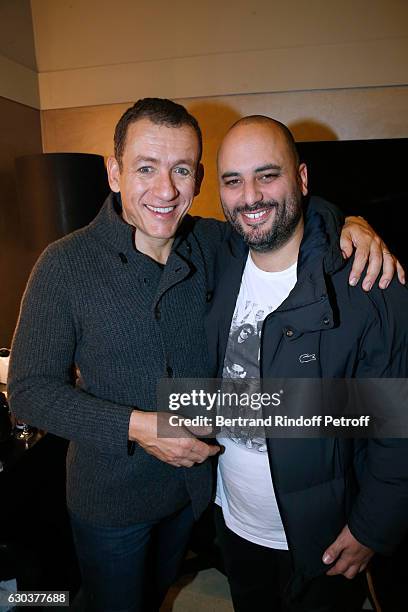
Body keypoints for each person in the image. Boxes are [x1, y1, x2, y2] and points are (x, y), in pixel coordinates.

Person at [7, 98, 403, 612]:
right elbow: (28, 391)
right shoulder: (64, 264)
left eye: (182, 170)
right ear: (114, 172)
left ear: (197, 179)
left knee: (159, 593)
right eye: (145, 168)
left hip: (194, 494)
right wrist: (139, 427)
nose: (165, 190)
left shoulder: (212, 244)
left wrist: (351, 222)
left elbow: (283, 217)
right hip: (112, 500)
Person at [205, 115, 408, 611]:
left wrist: (371, 528)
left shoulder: (369, 283)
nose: (249, 196)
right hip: (233, 520)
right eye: (233, 181)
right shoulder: (217, 257)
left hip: (325, 536)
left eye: (267, 175)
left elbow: (396, 426)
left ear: (301, 178)